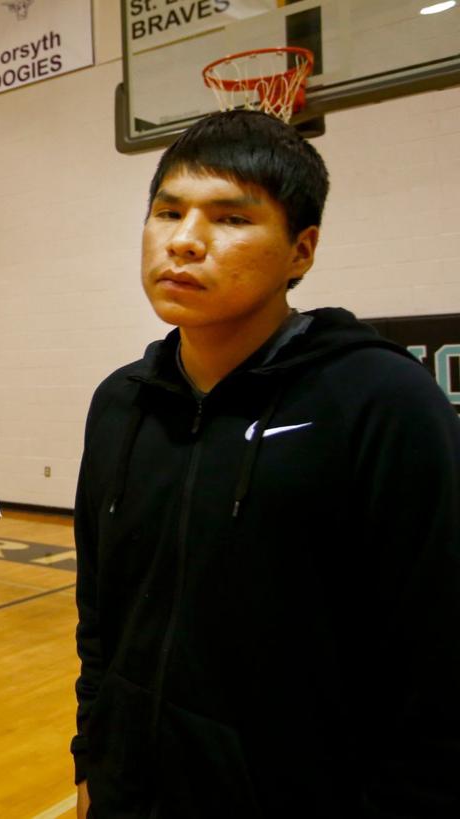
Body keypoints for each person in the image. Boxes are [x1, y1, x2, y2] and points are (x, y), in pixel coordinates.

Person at [71, 109, 460, 818]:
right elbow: (100, 613)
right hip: (128, 792)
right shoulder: (119, 403)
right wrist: (91, 754)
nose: (184, 241)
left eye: (230, 218)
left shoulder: (382, 402)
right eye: (168, 212)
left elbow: (435, 660)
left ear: (301, 251)